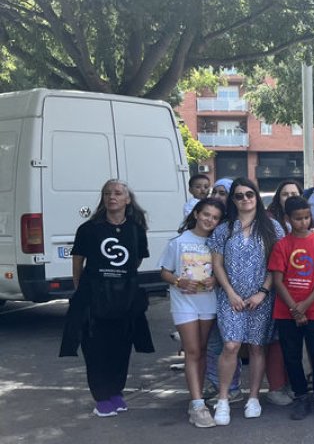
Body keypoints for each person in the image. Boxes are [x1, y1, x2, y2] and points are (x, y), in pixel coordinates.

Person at [61, 180, 154, 417]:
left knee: (121, 346)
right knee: (96, 347)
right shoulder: (89, 229)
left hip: (124, 298)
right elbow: (78, 260)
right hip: (94, 297)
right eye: (107, 193)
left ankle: (116, 392)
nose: (111, 197)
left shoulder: (136, 229)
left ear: (127, 199)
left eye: (117, 193)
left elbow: (136, 260)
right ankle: (101, 397)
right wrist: (81, 288)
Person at [209, 178, 284, 426]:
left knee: (256, 347)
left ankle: (253, 397)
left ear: (257, 197)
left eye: (249, 194)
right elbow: (217, 264)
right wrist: (229, 292)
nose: (245, 199)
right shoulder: (224, 229)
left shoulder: (272, 228)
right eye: (239, 195)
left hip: (260, 297)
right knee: (231, 345)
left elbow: (277, 266)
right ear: (233, 199)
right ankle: (223, 399)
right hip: (231, 298)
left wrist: (262, 292)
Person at [269, 196, 314, 420]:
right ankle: (300, 397)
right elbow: (278, 280)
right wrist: (294, 308)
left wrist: (306, 305)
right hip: (286, 311)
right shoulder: (282, 245)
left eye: (307, 217)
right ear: (287, 219)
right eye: (298, 219)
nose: (303, 222)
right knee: (292, 356)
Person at [160, 198, 223, 427]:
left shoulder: (217, 243)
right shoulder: (178, 242)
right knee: (192, 350)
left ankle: (197, 398)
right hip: (184, 303)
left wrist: (214, 280)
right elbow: (165, 272)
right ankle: (197, 404)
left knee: (203, 350)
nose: (209, 220)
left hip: (208, 302)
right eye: (206, 214)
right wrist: (178, 281)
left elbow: (222, 272)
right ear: (196, 214)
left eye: (215, 217)